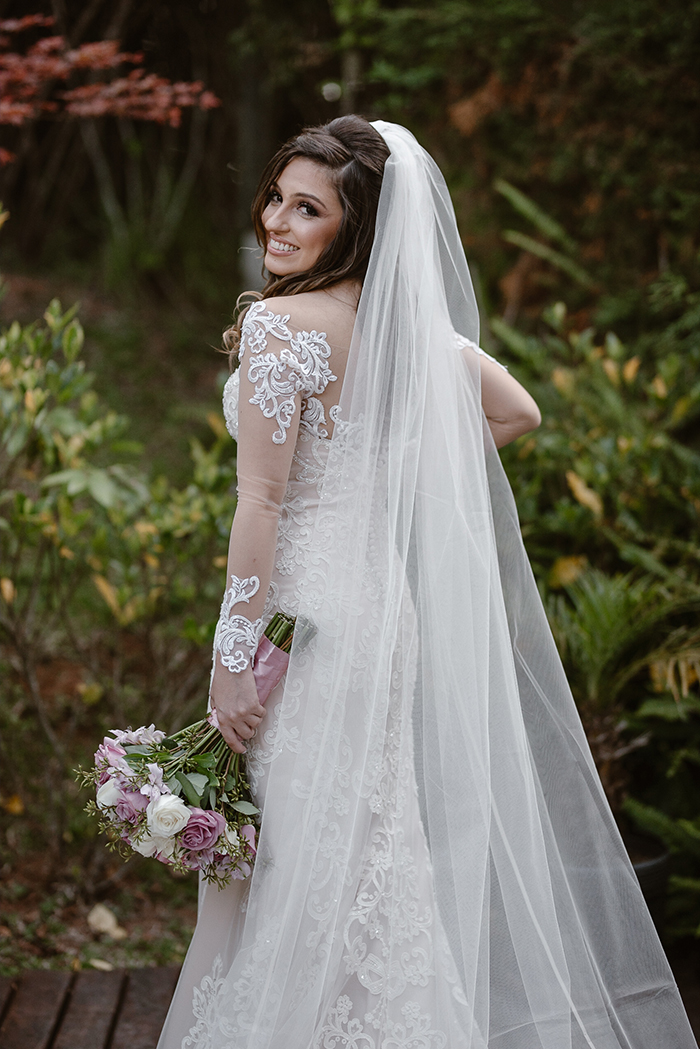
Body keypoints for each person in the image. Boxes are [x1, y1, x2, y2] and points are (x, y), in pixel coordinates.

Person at [157, 118, 697, 1049]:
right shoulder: (403, 327)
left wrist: (231, 660)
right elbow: (518, 411)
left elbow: (261, 506)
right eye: (277, 198)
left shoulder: (281, 325)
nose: (277, 222)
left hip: (302, 615)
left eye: (307, 209)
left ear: (354, 227)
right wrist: (392, 478)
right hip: (377, 610)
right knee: (364, 839)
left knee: (279, 853)